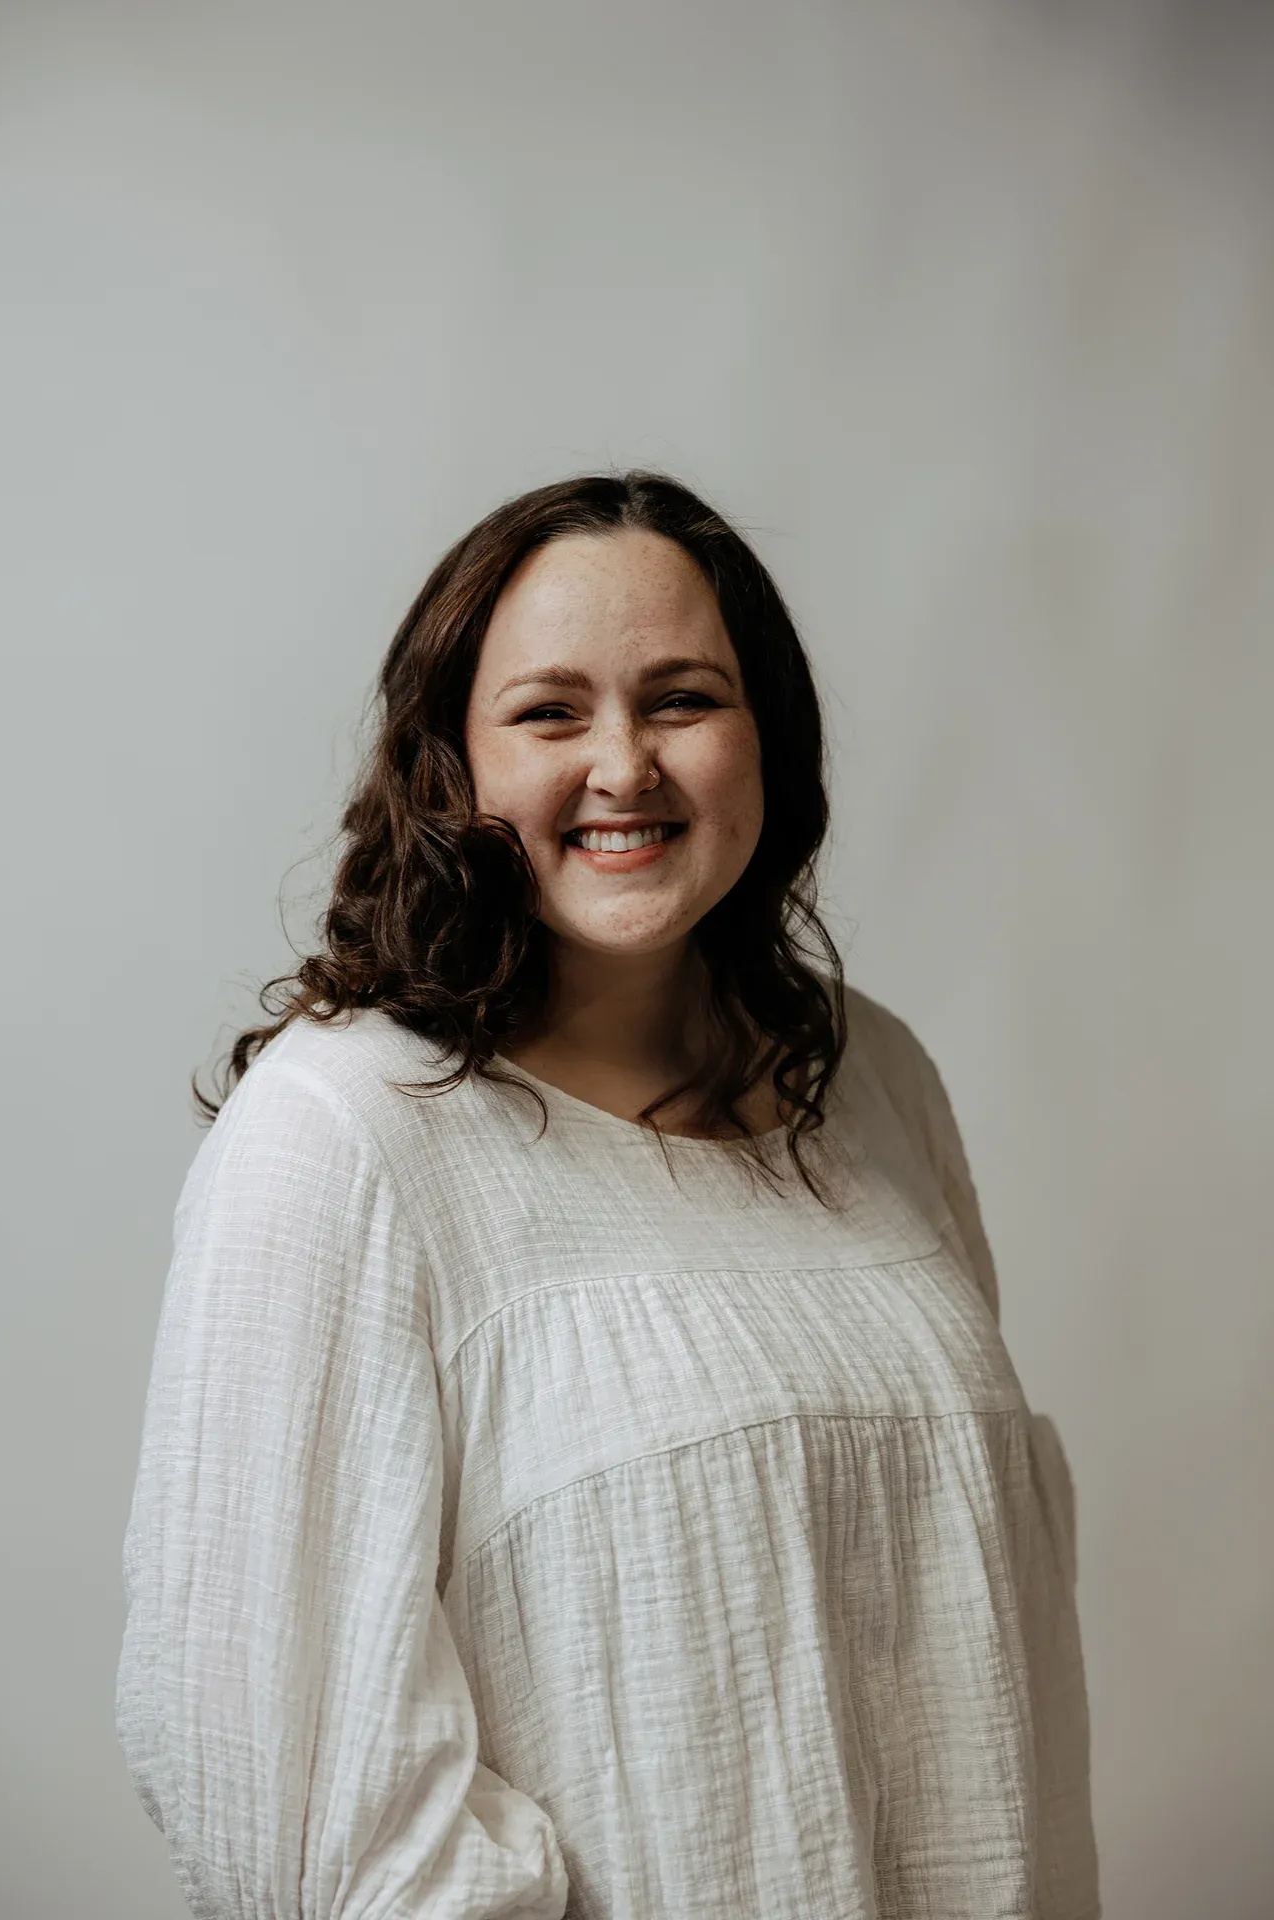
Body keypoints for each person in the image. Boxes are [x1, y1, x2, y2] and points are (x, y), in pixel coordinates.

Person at [115, 470, 1101, 1919]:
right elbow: (291, 1798)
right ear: (448, 763)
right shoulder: (342, 1136)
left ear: (770, 737)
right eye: (551, 712)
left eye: (684, 698)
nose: (625, 765)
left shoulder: (873, 1077)